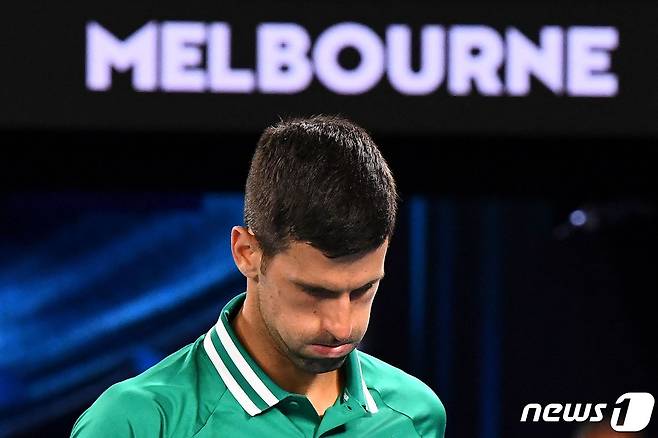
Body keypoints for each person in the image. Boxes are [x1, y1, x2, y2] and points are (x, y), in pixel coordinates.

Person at [71, 115, 447, 437]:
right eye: (313, 291)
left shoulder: (416, 415)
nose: (341, 326)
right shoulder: (135, 423)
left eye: (363, 289)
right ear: (246, 253)